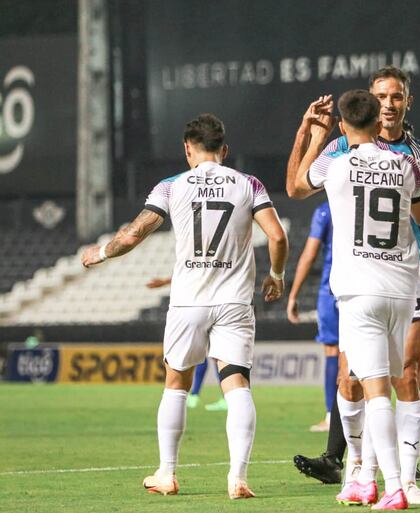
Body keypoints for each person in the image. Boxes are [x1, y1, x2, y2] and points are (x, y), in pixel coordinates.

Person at [81, 113, 289, 499]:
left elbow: (134, 234)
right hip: (234, 302)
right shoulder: (248, 184)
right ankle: (238, 478)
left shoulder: (171, 186)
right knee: (237, 385)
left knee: (176, 384)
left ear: (188, 149)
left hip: (189, 301)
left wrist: (103, 252)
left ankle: (167, 474)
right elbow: (277, 236)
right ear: (224, 150)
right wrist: (276, 275)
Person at [290, 66, 420, 505]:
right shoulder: (407, 165)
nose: (389, 104)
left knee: (388, 383)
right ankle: (361, 474)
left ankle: (395, 481)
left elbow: (296, 186)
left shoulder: (340, 160)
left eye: (396, 96)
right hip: (399, 283)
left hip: (367, 286)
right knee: (364, 379)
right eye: (381, 97)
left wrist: (310, 133)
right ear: (373, 108)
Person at [286, 201, 340, 431]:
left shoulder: (325, 210)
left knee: (332, 350)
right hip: (366, 286)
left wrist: (293, 295)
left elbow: (309, 255)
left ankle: (331, 417)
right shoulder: (362, 197)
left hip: (333, 288)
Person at [146, 276, 227, 411]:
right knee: (207, 355)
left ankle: (216, 397)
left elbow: (192, 273)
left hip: (205, 307)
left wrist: (165, 282)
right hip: (214, 306)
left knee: (211, 356)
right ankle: (197, 395)